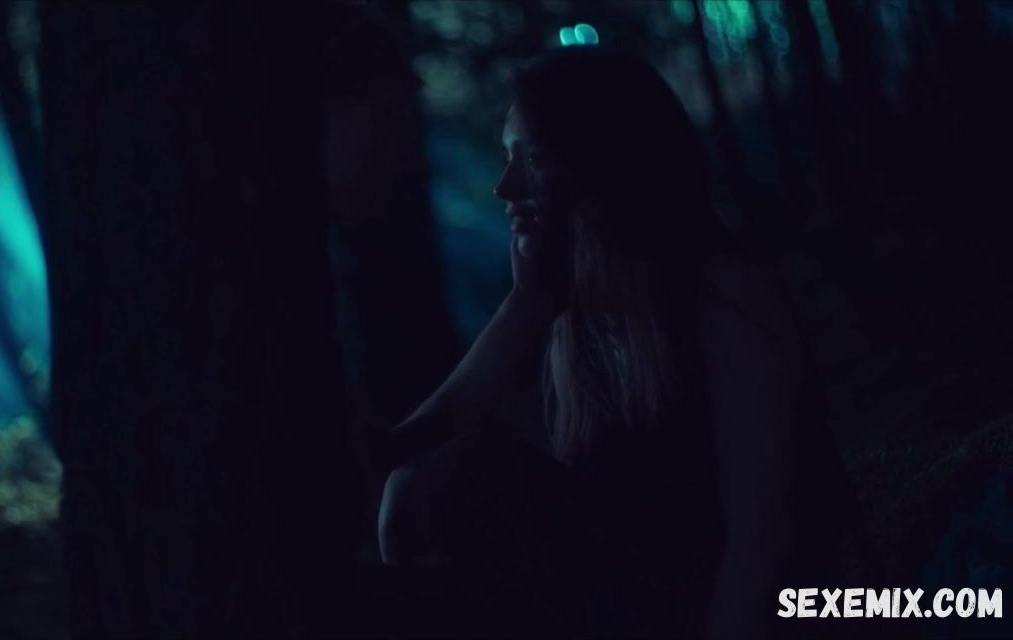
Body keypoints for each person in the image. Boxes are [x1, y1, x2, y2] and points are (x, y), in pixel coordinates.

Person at [366, 47, 855, 638]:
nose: (504, 187)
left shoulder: (723, 293)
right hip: (658, 594)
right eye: (506, 157)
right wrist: (527, 303)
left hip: (779, 606)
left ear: (602, 164)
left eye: (533, 158)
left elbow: (765, 537)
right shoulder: (579, 314)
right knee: (418, 488)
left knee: (458, 480)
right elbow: (425, 440)